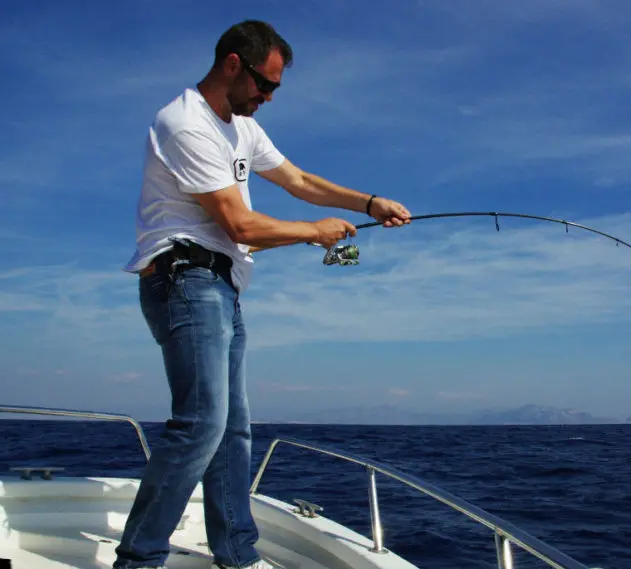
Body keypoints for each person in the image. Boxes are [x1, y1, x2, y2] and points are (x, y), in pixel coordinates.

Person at [116, 20, 411, 569]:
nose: (268, 97)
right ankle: (138, 559)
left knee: (232, 430)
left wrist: (368, 204)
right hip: (184, 280)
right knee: (201, 424)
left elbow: (298, 180)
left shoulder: (242, 129)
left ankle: (235, 554)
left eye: (275, 88)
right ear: (233, 64)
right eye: (264, 84)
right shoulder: (184, 123)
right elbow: (240, 225)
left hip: (222, 286)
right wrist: (314, 231)